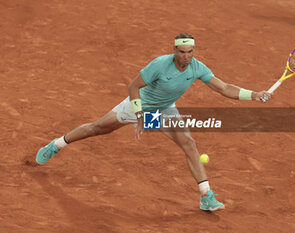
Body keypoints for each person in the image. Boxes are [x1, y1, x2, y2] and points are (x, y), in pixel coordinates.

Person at [35, 33, 271, 212]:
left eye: (190, 52)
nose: (186, 57)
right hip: (138, 107)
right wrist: (140, 117)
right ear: (174, 50)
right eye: (182, 52)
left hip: (165, 111)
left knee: (189, 143)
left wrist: (253, 94)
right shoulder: (160, 64)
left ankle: (206, 195)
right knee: (97, 128)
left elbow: (224, 88)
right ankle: (57, 144)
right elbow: (133, 87)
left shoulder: (198, 67)